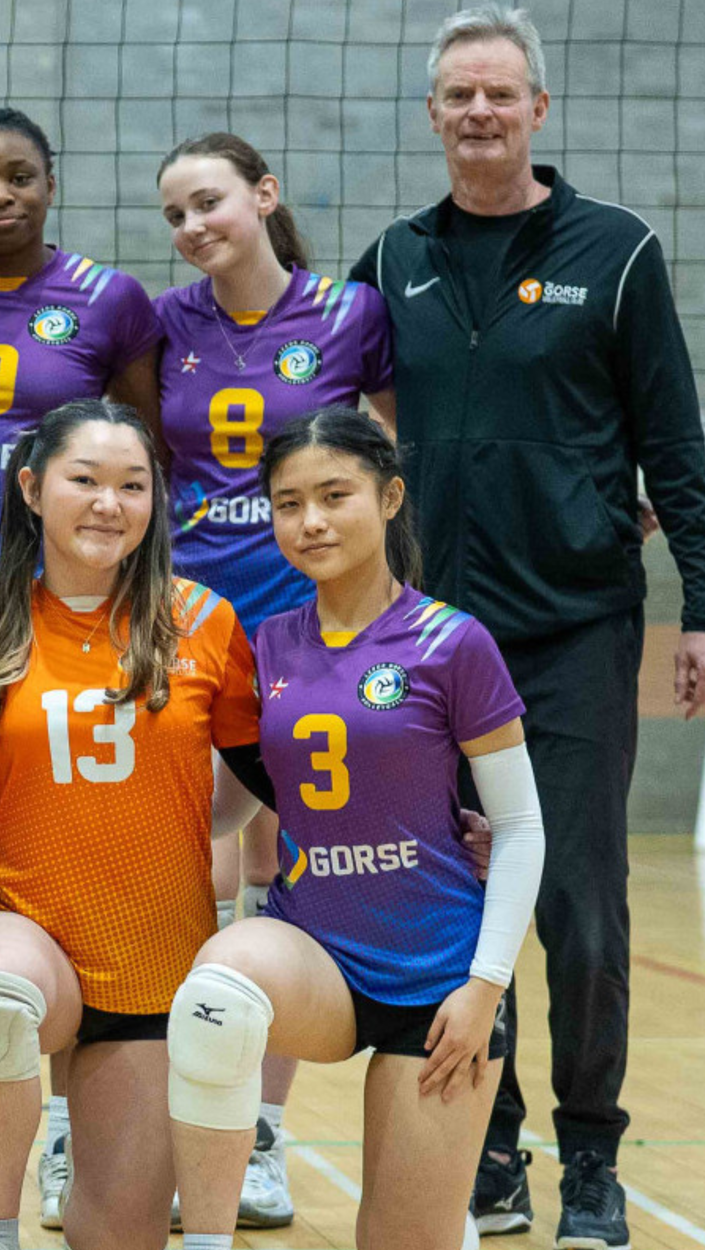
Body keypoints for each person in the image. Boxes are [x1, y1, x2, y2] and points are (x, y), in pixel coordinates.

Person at [348, 9, 705, 1243]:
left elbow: (671, 443)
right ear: (432, 115)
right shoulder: (394, 257)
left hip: (573, 630)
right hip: (434, 640)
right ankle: (491, 1147)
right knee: (466, 907)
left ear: (537, 111)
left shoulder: (615, 253)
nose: (477, 113)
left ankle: (590, 1162)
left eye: (499, 95)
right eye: (457, 95)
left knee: (574, 897)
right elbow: (318, 392)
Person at [167, 407, 545, 1250]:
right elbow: (241, 800)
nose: (311, 521)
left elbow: (519, 827)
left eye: (335, 495)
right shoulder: (264, 645)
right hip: (314, 956)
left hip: (440, 978)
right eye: (288, 502)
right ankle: (206, 1239)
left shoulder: (453, 642)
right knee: (216, 998)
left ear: (391, 496)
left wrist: (486, 988)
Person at [0, 399, 265, 1250]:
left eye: (132, 486)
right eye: (86, 480)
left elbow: (265, 776)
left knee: (117, 1235)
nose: (110, 504)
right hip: (24, 926)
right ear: (32, 489)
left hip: (154, 956)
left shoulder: (205, 622)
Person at [0, 105, 162, 1230]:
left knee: (81, 848)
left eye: (16, 177)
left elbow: (146, 451)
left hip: (71, 603)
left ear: (50, 183)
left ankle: (66, 1128)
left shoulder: (110, 298)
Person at [154, 129, 399, 1231]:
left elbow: (391, 466)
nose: (194, 226)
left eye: (209, 202)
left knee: (278, 854)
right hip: (190, 626)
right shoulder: (165, 325)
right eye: (175, 215)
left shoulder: (350, 314)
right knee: (181, 840)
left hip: (307, 629)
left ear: (263, 194)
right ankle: (179, 1110)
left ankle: (257, 1133)